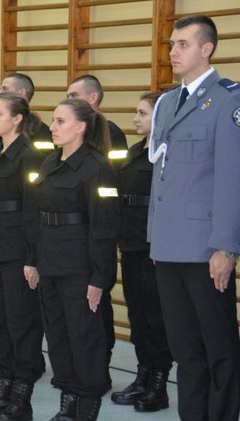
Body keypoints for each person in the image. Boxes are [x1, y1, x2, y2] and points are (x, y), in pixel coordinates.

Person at [147, 15, 240, 421]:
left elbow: (232, 178)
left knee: (217, 348)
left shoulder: (229, 100)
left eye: (183, 44)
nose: (173, 52)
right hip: (168, 246)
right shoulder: (167, 102)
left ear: (207, 49)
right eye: (171, 44)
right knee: (184, 348)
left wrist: (226, 246)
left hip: (206, 248)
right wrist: (154, 239)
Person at [37, 98, 119, 420]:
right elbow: (37, 215)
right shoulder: (50, 162)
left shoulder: (98, 168)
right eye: (53, 121)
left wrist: (100, 277)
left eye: (60, 122)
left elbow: (105, 227)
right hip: (50, 263)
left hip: (80, 268)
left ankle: (87, 406)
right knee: (57, 337)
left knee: (84, 338)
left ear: (81, 127)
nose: (53, 127)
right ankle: (68, 402)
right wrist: (34, 260)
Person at [0, 92, 44, 421]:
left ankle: (20, 398)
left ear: (17, 119)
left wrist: (32, 258)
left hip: (17, 252)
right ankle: (3, 389)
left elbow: (33, 211)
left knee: (21, 324)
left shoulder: (28, 156)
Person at [110, 92, 172, 413]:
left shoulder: (167, 154)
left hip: (154, 248)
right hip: (131, 244)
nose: (135, 118)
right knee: (137, 314)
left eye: (142, 113)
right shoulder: (135, 153)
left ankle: (158, 384)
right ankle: (143, 375)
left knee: (155, 316)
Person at [66, 74, 125, 360]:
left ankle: (101, 358)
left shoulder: (110, 133)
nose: (69, 101)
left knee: (96, 299)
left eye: (74, 95)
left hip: (96, 226)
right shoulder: (66, 140)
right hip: (72, 233)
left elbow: (114, 182)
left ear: (92, 98)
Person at [0, 72, 52, 153]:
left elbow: (43, 162)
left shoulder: (41, 132)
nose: (0, 93)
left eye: (5, 89)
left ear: (22, 93)